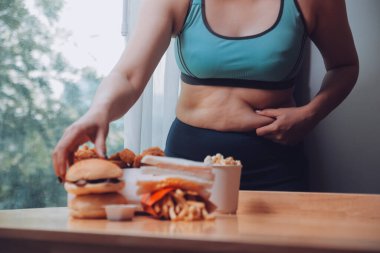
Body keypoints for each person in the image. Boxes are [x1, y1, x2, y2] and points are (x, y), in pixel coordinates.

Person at [52, 0, 359, 191]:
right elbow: (128, 75)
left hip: (275, 166)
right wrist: (98, 111)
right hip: (187, 166)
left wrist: (311, 113)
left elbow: (344, 66)